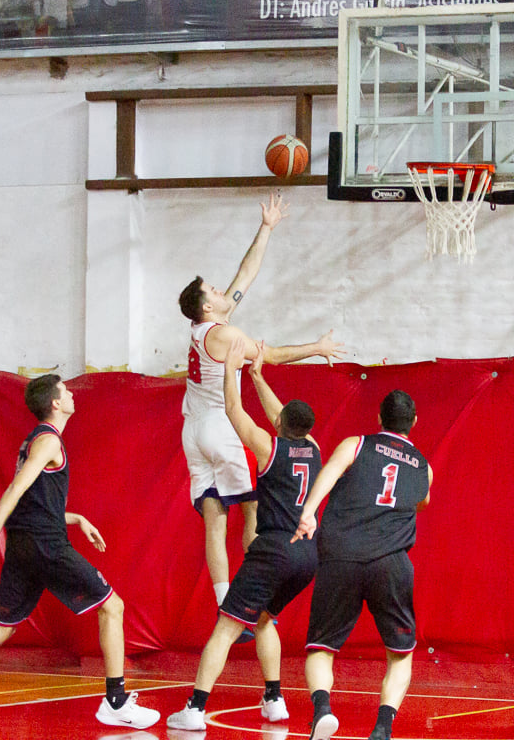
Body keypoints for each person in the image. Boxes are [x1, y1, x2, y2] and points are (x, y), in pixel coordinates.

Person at [0, 374, 159, 730]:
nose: (73, 393)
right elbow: (16, 489)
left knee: (4, 626)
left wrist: (76, 518)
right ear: (56, 403)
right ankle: (116, 702)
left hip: (26, 543)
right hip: (45, 544)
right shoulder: (48, 441)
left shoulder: (35, 441)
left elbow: (32, 503)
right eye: (67, 391)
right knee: (113, 606)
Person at [178, 191, 343, 633]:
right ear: (207, 305)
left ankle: (221, 602)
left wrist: (266, 228)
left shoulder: (200, 327)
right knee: (254, 508)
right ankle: (249, 603)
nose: (218, 288)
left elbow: (242, 276)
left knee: (215, 518)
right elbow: (272, 357)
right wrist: (317, 348)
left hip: (191, 429)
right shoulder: (226, 336)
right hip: (218, 423)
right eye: (211, 289)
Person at [167, 336, 323, 730]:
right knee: (266, 620)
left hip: (272, 550)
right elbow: (281, 417)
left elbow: (235, 412)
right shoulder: (315, 449)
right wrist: (257, 375)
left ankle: (195, 709)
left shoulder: (270, 450)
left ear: (281, 425)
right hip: (307, 555)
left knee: (226, 628)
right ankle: (274, 700)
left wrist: (230, 372)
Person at [292, 389, 432, 740]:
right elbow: (421, 501)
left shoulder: (356, 444)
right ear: (413, 422)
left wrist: (308, 514)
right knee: (400, 655)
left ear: (379, 418)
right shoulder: (424, 467)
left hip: (341, 555)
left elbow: (328, 474)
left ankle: (322, 709)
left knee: (321, 648)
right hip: (390, 561)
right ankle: (382, 728)